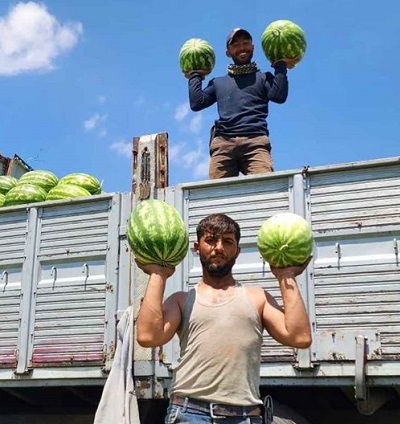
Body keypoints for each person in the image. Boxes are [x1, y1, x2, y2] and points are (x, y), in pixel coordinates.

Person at [135, 213, 312, 424]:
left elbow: (300, 337)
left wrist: (286, 275)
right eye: (210, 240)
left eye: (227, 241)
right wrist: (158, 272)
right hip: (189, 413)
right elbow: (147, 336)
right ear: (196, 247)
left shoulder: (258, 298)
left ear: (237, 250)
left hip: (244, 416)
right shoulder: (181, 300)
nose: (219, 248)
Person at [186, 28, 299, 179]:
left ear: (253, 47)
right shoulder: (218, 82)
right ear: (228, 52)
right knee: (216, 197)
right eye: (236, 45)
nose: (242, 48)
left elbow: (279, 96)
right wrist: (195, 75)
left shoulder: (263, 78)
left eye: (246, 43)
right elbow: (196, 103)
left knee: (265, 189)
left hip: (256, 142)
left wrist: (280, 65)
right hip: (223, 144)